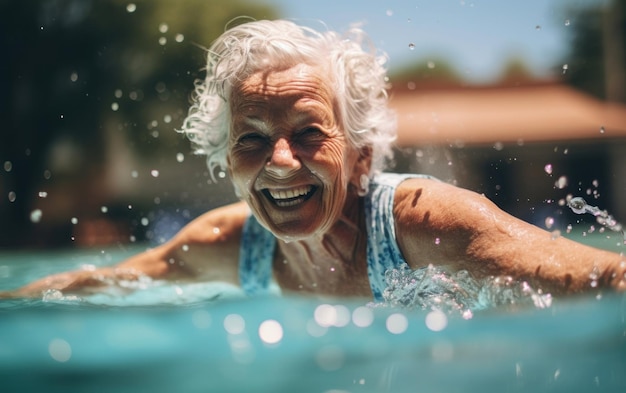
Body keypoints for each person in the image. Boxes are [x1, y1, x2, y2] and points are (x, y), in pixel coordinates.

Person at [3, 19, 625, 300]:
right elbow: (84, 287)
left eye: (307, 133)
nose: (279, 161)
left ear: (360, 155)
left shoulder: (424, 223)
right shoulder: (232, 243)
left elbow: (601, 279)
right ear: (227, 162)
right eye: (250, 139)